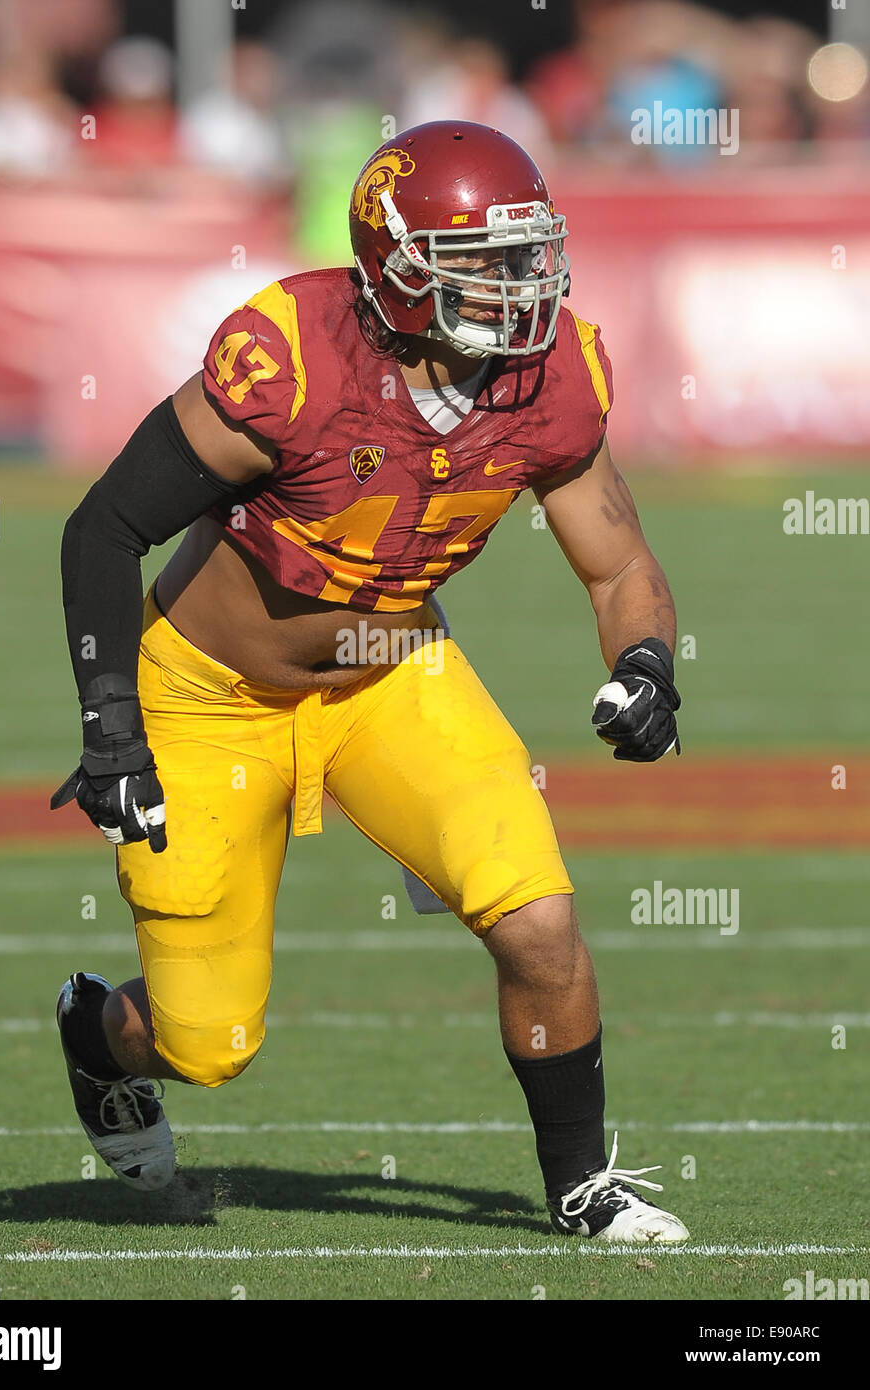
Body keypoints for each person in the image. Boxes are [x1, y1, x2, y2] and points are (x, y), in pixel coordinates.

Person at [52, 120, 687, 1243]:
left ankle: (582, 1183)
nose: (520, 283)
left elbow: (620, 558)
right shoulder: (294, 357)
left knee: (538, 920)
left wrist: (644, 663)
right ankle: (98, 1033)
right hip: (210, 697)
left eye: (527, 253)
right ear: (396, 266)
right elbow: (104, 528)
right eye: (485, 260)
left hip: (390, 669)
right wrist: (111, 728)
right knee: (207, 1045)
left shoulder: (552, 378)